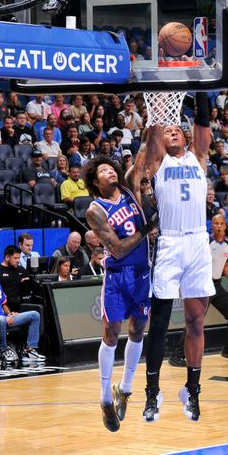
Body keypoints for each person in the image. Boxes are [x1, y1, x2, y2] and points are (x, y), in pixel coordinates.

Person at [137, 92, 215, 422]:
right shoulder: (159, 162)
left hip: (198, 242)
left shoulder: (199, 157)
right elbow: (154, 136)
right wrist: (159, 106)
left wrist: (200, 87)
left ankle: (192, 390)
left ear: (184, 135)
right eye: (167, 131)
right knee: (160, 323)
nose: (172, 132)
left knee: (196, 321)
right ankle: (152, 392)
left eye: (176, 130)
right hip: (169, 243)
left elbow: (204, 120)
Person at [83, 154, 155, 431]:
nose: (109, 172)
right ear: (94, 181)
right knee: (111, 334)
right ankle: (104, 399)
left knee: (138, 330)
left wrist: (155, 123)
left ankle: (124, 389)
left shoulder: (128, 188)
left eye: (110, 167)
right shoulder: (95, 210)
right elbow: (117, 248)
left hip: (142, 272)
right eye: (102, 170)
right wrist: (146, 230)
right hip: (116, 277)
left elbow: (140, 160)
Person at [171, 214, 228, 368]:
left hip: (216, 285)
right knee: (195, 320)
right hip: (202, 285)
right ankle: (177, 355)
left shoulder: (226, 245)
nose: (218, 226)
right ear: (212, 226)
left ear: (226, 226)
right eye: (216, 223)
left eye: (221, 224)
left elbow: (225, 265)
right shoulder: (206, 242)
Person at [0, 259, 45, 364]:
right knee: (0, 319)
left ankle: (30, 350)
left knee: (35, 315)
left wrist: (9, 314)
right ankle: (3, 350)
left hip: (4, 318)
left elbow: (3, 304)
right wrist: (1, 317)